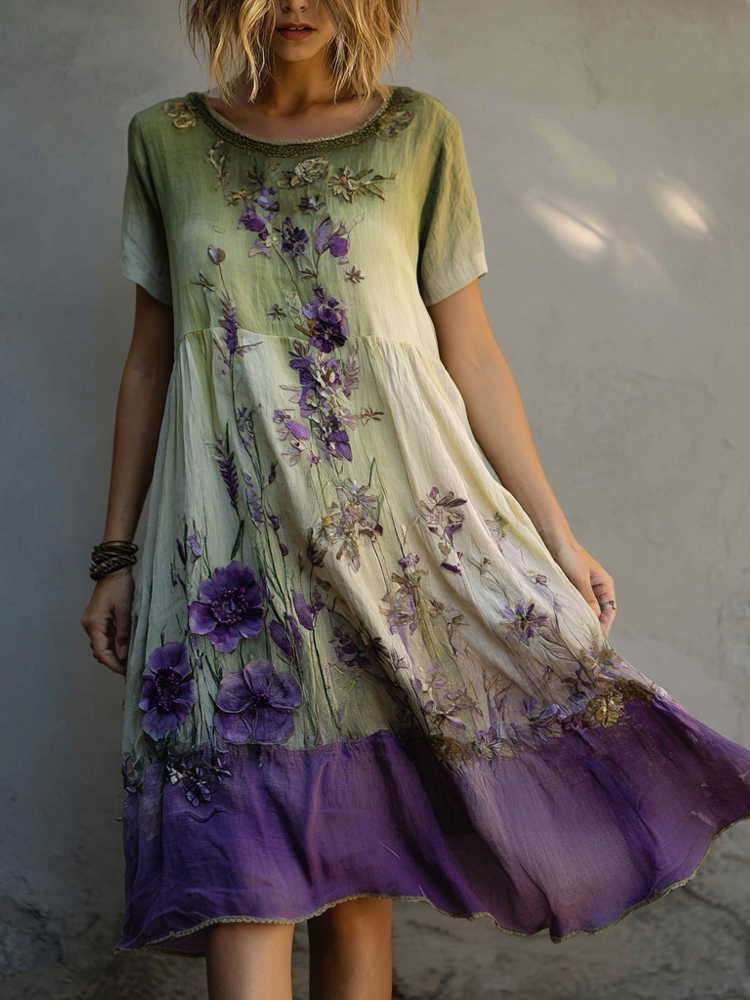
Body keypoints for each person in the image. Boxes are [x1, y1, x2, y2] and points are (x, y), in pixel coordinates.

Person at [80, 1, 750, 998]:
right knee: (243, 876)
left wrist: (557, 536)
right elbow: (150, 360)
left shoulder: (416, 133)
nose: (297, 5)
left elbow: (468, 353)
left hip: (388, 552)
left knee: (361, 881)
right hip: (227, 558)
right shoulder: (165, 139)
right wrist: (116, 554)